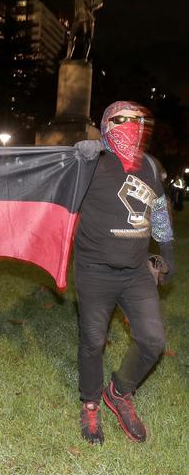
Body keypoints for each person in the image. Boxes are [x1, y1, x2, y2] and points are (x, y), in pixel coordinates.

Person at [73, 101, 174, 445]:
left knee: (153, 340)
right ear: (105, 124)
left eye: (138, 121)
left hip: (135, 272)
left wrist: (167, 258)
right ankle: (90, 402)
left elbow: (159, 214)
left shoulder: (149, 165)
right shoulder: (89, 163)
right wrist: (78, 153)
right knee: (93, 341)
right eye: (122, 120)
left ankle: (119, 392)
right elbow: (49, 180)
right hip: (94, 270)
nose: (131, 126)